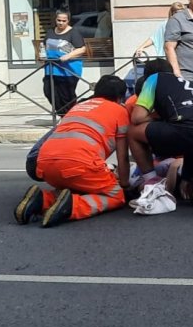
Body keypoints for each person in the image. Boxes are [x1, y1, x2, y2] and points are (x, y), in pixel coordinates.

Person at [14, 75, 132, 228]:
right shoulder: (119, 111)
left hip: (44, 165)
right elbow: (122, 157)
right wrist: (124, 184)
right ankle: (73, 207)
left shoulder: (78, 106)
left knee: (77, 186)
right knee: (115, 195)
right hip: (78, 165)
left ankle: (42, 199)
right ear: (119, 98)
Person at [126, 58, 193, 216]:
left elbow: (137, 118)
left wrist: (158, 117)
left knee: (133, 132)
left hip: (187, 130)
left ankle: (153, 184)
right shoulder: (192, 85)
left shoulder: (154, 79)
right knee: (192, 193)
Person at [38, 8, 87, 116]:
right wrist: (42, 55)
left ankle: (72, 116)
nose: (61, 23)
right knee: (49, 91)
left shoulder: (73, 33)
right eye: (59, 20)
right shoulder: (50, 31)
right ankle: (62, 115)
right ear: (55, 19)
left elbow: (82, 49)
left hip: (68, 70)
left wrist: (68, 56)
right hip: (51, 68)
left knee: (66, 95)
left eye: (63, 21)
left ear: (68, 20)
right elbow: (44, 45)